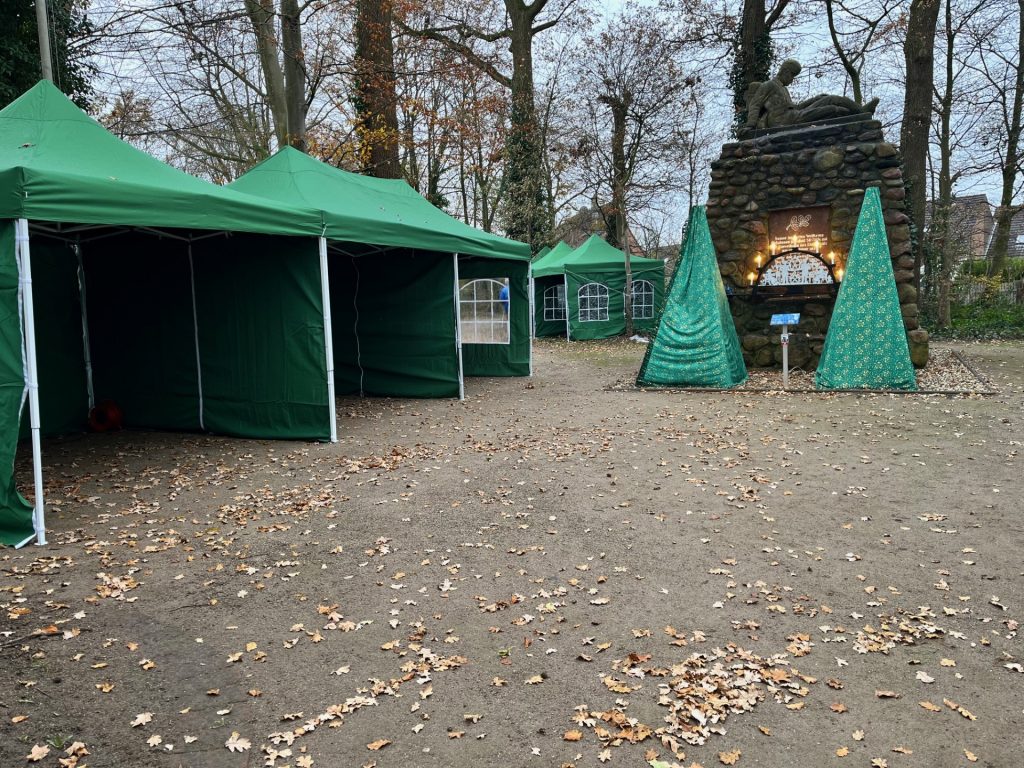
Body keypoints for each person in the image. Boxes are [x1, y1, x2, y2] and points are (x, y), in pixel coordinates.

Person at [744, 59, 879, 131]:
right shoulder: (768, 85)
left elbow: (794, 108)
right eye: (792, 75)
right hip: (784, 121)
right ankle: (859, 116)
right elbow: (755, 105)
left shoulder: (782, 88)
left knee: (829, 99)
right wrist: (750, 125)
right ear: (784, 71)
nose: (792, 79)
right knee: (832, 110)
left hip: (794, 115)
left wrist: (817, 98)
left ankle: (862, 111)